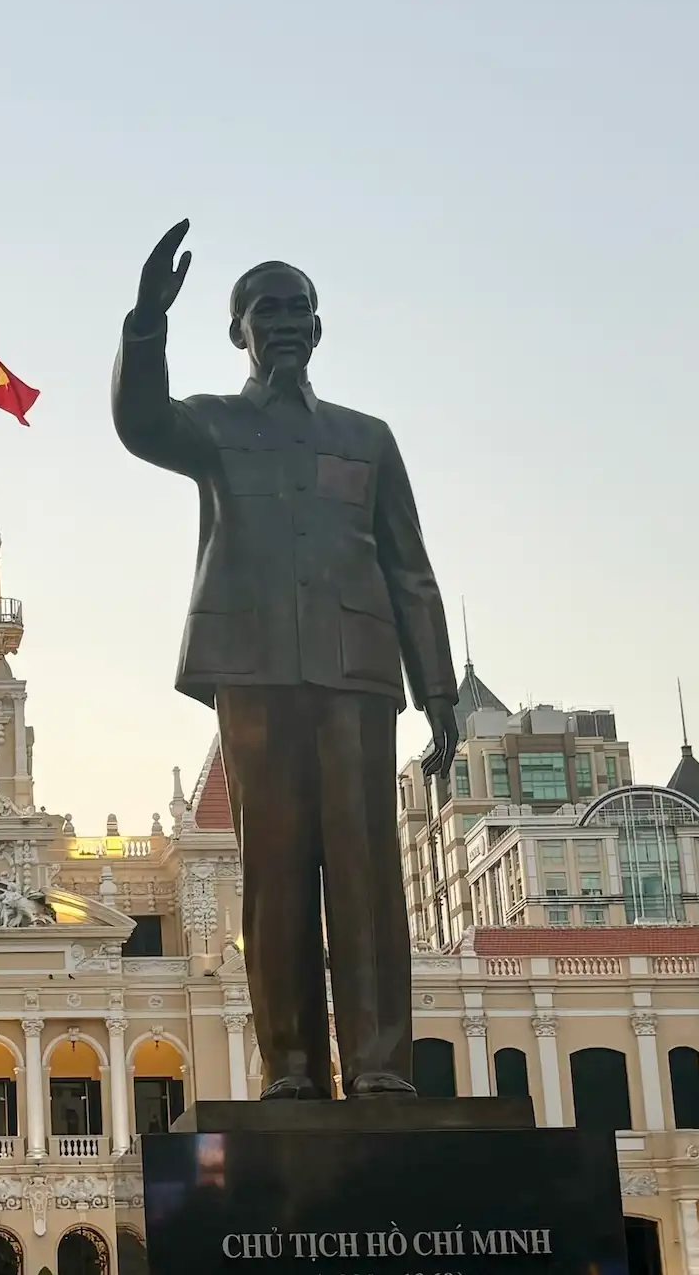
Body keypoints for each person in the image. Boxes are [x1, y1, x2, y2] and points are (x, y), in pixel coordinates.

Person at [111, 220, 461, 1099]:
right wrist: (145, 323)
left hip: (357, 669)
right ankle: (293, 1066)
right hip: (255, 664)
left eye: (300, 306)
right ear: (239, 331)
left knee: (367, 868)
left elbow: (409, 566)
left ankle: (382, 1065)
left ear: (320, 323)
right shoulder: (216, 426)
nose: (287, 321)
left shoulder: (366, 437)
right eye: (267, 308)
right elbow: (140, 421)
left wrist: (440, 688)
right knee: (275, 867)